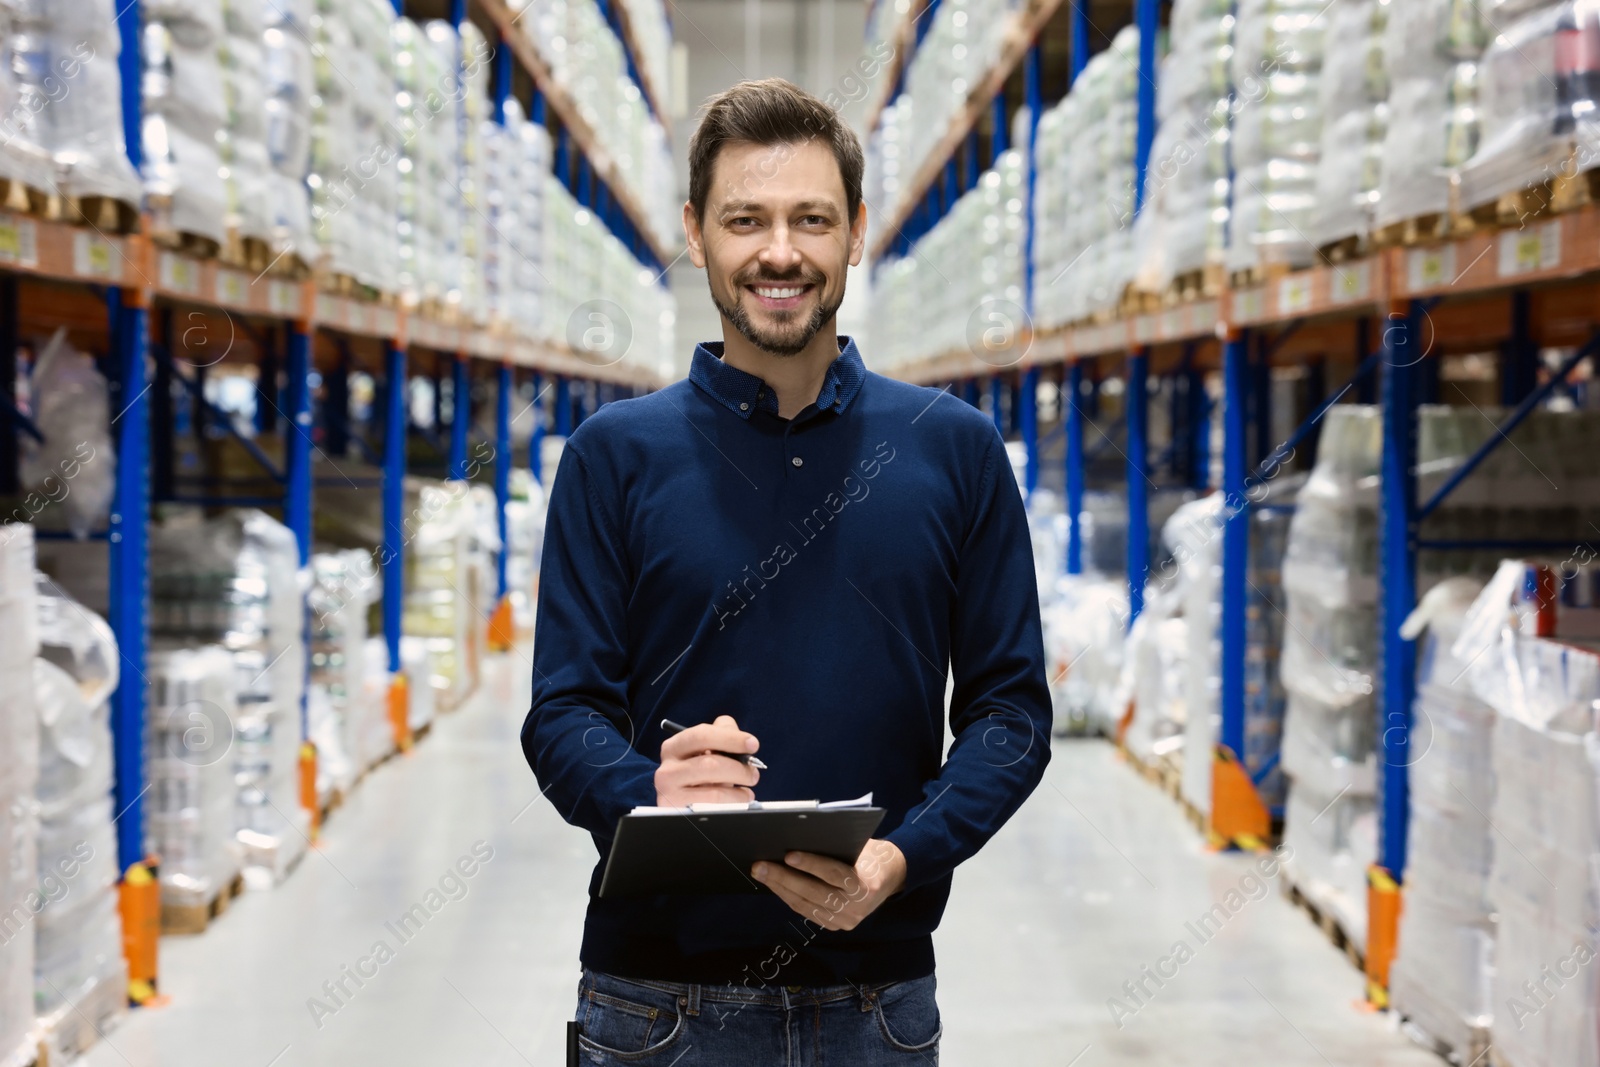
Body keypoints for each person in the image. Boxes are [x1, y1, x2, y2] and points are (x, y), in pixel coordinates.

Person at [522, 77, 1052, 1064]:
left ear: (854, 231)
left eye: (810, 219)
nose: (778, 252)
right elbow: (562, 714)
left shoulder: (953, 448)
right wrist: (647, 788)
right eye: (744, 219)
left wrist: (902, 856)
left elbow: (1012, 713)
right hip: (656, 1002)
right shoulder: (613, 454)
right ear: (695, 233)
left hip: (876, 996)